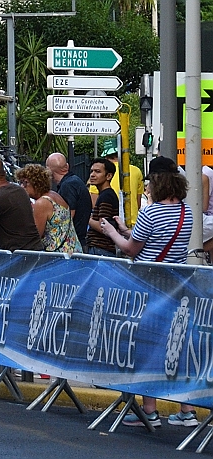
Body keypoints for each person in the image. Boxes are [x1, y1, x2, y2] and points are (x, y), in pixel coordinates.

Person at [102, 157, 198, 428]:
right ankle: (187, 409)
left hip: (149, 286)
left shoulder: (151, 212)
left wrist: (112, 231)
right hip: (177, 286)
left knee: (146, 347)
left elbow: (132, 249)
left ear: (155, 183)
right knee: (176, 346)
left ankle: (149, 409)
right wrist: (127, 230)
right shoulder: (186, 211)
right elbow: (157, 239)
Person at [15, 164, 81, 254]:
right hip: (73, 252)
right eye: (20, 182)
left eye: (25, 182)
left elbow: (35, 237)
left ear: (36, 182)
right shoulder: (54, 195)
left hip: (58, 258)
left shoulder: (42, 203)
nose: (22, 186)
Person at [89, 138, 145, 222]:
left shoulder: (99, 176)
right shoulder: (136, 171)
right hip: (132, 223)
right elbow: (138, 203)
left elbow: (95, 204)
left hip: (111, 226)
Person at [45, 152, 91, 249]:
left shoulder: (68, 186)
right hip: (79, 241)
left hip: (72, 244)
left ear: (48, 170)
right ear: (67, 166)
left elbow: (67, 217)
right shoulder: (74, 181)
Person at [85, 158, 118, 257]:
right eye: (91, 171)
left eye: (97, 171)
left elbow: (102, 226)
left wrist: (87, 218)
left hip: (101, 249)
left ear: (108, 176)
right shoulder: (105, 194)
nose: (92, 175)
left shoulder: (106, 196)